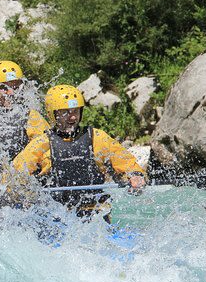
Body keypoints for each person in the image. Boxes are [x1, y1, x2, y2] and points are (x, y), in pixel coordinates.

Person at [12, 84, 146, 222]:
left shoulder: (98, 138)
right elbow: (14, 175)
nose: (72, 118)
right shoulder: (41, 145)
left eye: (75, 111)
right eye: (65, 112)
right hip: (57, 218)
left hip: (96, 216)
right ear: (53, 114)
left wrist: (135, 175)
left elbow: (126, 162)